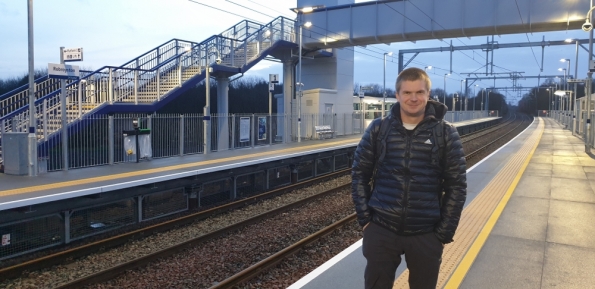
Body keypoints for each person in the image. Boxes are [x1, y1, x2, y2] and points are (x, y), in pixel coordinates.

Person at [351, 67, 467, 289]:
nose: (413, 98)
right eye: (407, 93)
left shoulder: (445, 133)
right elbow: (359, 174)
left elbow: (457, 186)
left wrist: (443, 233)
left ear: (428, 94)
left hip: (426, 233)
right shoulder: (379, 129)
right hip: (382, 229)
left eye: (419, 92)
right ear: (397, 95)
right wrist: (366, 221)